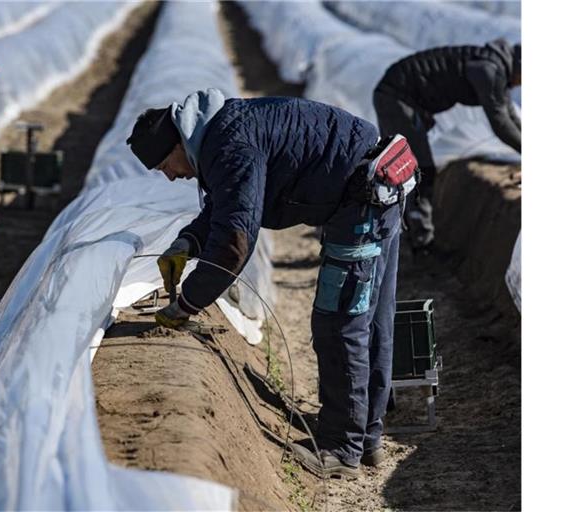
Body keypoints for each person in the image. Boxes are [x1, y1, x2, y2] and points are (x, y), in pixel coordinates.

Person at [127, 89, 416, 478]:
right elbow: (231, 200)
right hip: (382, 180)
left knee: (340, 322)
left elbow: (235, 240)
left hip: (362, 197)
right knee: (372, 318)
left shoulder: (227, 144)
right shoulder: (223, 130)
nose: (172, 175)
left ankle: (342, 448)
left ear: (178, 142)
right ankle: (365, 437)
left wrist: (187, 304)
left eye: (165, 164)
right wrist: (188, 241)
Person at [373, 39, 521, 251]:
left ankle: (403, 234)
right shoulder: (488, 70)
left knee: (408, 170)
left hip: (402, 97)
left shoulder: (496, 68)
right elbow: (500, 122)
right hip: (396, 96)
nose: (520, 84)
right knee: (416, 170)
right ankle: (420, 242)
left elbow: (511, 117)